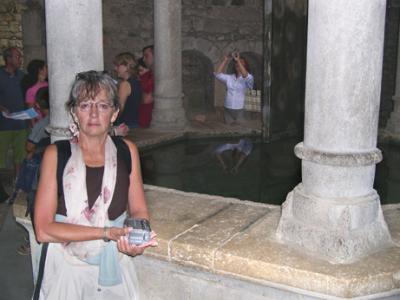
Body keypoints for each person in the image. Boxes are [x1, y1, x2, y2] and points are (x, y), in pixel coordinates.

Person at [33, 71, 156, 299]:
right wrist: (107, 233)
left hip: (115, 268)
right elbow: (43, 230)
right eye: (85, 105)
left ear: (114, 113)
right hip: (68, 268)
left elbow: (138, 210)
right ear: (73, 112)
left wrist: (137, 239)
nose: (93, 113)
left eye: (102, 106)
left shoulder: (126, 151)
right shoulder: (56, 155)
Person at [0, 47, 28, 202]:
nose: (20, 59)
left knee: (20, 155)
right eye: (18, 56)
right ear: (8, 59)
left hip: (20, 124)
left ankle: (17, 184)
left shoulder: (22, 76)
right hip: (2, 125)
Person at [214, 52, 254, 125]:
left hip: (241, 110)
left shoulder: (249, 78)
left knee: (241, 129)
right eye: (237, 63)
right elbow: (217, 74)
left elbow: (245, 75)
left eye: (241, 63)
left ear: (245, 66)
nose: (238, 64)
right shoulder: (230, 77)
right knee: (229, 129)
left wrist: (238, 60)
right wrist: (225, 60)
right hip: (228, 109)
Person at [113, 52, 142, 129]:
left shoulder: (125, 84)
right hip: (135, 123)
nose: (115, 69)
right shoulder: (137, 81)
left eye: (117, 66)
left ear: (126, 67)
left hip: (126, 124)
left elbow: (120, 107)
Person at [21, 59, 48, 123]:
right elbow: (30, 110)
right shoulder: (31, 90)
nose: (48, 69)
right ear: (40, 70)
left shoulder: (48, 84)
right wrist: (33, 125)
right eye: (46, 67)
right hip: (40, 122)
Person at [138, 45, 154, 128]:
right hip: (142, 118)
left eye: (146, 56)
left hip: (151, 118)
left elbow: (147, 99)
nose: (144, 59)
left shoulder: (157, 76)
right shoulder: (146, 75)